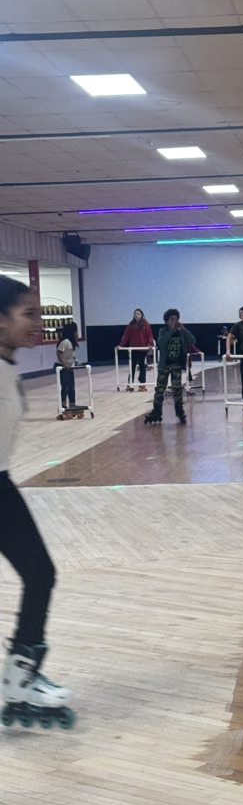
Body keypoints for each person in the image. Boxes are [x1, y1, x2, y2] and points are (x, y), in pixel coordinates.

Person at [0, 275, 74, 728]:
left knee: (41, 574)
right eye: (28, 313)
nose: (38, 322)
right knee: (40, 574)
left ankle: (19, 679)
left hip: (0, 483)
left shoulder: (8, 366)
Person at [144, 309, 195, 425]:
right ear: (167, 321)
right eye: (172, 319)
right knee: (160, 389)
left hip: (176, 364)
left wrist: (184, 330)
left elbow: (193, 340)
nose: (174, 321)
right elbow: (161, 343)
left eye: (176, 319)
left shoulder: (181, 332)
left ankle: (180, 412)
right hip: (165, 365)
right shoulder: (163, 331)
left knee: (177, 389)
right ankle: (157, 412)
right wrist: (171, 331)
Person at [118, 308, 154, 390]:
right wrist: (121, 345)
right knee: (132, 366)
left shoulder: (145, 323)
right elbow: (126, 335)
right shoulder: (131, 324)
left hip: (142, 349)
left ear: (141, 315)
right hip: (133, 349)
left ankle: (142, 384)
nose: (136, 315)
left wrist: (150, 344)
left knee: (142, 366)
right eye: (135, 314)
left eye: (138, 314)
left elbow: (150, 335)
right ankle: (130, 383)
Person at [56, 321, 79, 409]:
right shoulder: (65, 342)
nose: (77, 333)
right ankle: (63, 404)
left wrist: (76, 361)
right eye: (76, 331)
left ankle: (72, 403)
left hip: (69, 367)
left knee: (71, 386)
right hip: (61, 366)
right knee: (65, 386)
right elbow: (59, 353)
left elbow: (71, 355)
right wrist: (64, 363)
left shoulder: (72, 343)